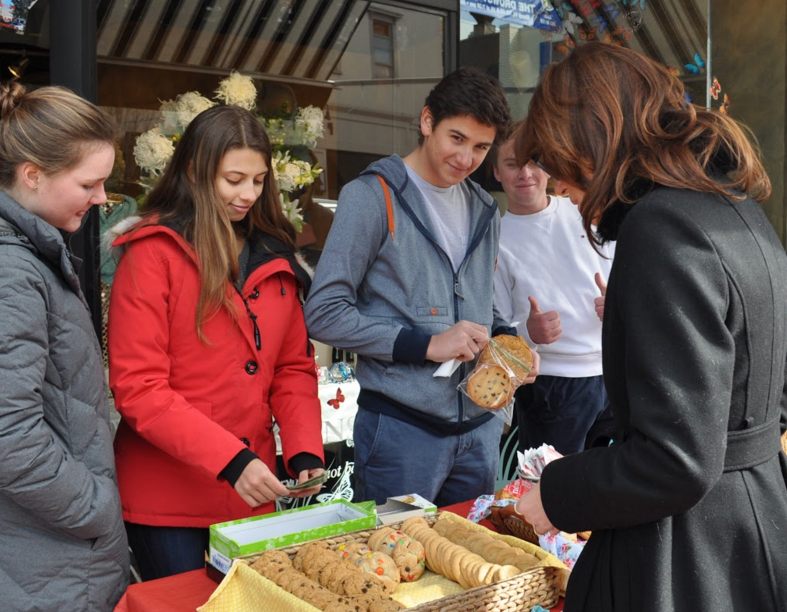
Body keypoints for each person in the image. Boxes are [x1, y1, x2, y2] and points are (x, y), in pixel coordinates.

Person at [514, 42, 787, 611]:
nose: (560, 188)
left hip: (686, 553)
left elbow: (676, 461)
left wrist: (558, 494)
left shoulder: (660, 227)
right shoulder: (733, 207)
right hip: (756, 520)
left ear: (591, 140)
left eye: (561, 165)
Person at [0, 83, 129, 611]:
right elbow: (4, 434)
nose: (103, 198)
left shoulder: (10, 254)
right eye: (90, 183)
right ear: (32, 174)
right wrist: (96, 509)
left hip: (24, 557)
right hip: (26, 564)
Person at [107, 104, 325, 581]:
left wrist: (305, 450)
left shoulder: (274, 254)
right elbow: (139, 388)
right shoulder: (151, 253)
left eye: (259, 179)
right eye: (234, 180)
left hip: (250, 490)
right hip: (168, 499)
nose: (248, 194)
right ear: (194, 171)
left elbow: (292, 368)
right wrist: (231, 459)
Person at [304, 67, 537, 508]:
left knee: (470, 569)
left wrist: (511, 346)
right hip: (400, 433)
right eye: (456, 138)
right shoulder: (371, 196)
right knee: (398, 571)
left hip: (479, 433)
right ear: (427, 121)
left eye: (481, 147)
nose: (467, 158)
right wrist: (426, 344)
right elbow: (324, 312)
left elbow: (479, 307)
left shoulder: (485, 207)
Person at [491, 123, 614, 456]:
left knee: (615, 496)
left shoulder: (586, 210)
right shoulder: (495, 241)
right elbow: (498, 328)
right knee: (552, 493)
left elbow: (629, 271)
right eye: (513, 164)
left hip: (615, 374)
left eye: (533, 161)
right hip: (551, 385)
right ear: (497, 173)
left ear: (548, 168)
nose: (525, 173)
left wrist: (619, 303)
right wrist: (528, 333)